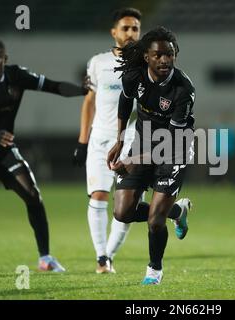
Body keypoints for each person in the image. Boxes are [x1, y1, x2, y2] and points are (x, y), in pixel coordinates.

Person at [0, 38, 88, 272]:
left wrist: (84, 91)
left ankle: (45, 257)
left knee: (33, 194)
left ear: (5, 58)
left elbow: (54, 87)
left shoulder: (17, 76)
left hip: (1, 148)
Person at [107, 26, 194, 285]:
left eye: (169, 54)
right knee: (122, 212)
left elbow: (170, 143)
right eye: (158, 55)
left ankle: (154, 270)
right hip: (141, 143)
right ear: (147, 57)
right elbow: (125, 101)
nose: (164, 60)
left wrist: (132, 160)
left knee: (155, 221)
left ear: (175, 55)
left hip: (173, 150)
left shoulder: (183, 90)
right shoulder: (134, 75)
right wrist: (120, 141)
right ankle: (177, 211)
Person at [72, 8, 142, 274]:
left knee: (126, 205)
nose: (130, 33)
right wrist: (82, 141)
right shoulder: (98, 62)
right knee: (99, 195)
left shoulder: (146, 62)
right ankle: (101, 257)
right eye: (125, 28)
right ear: (114, 32)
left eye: (135, 28)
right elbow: (89, 102)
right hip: (100, 140)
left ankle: (108, 255)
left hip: (133, 143)